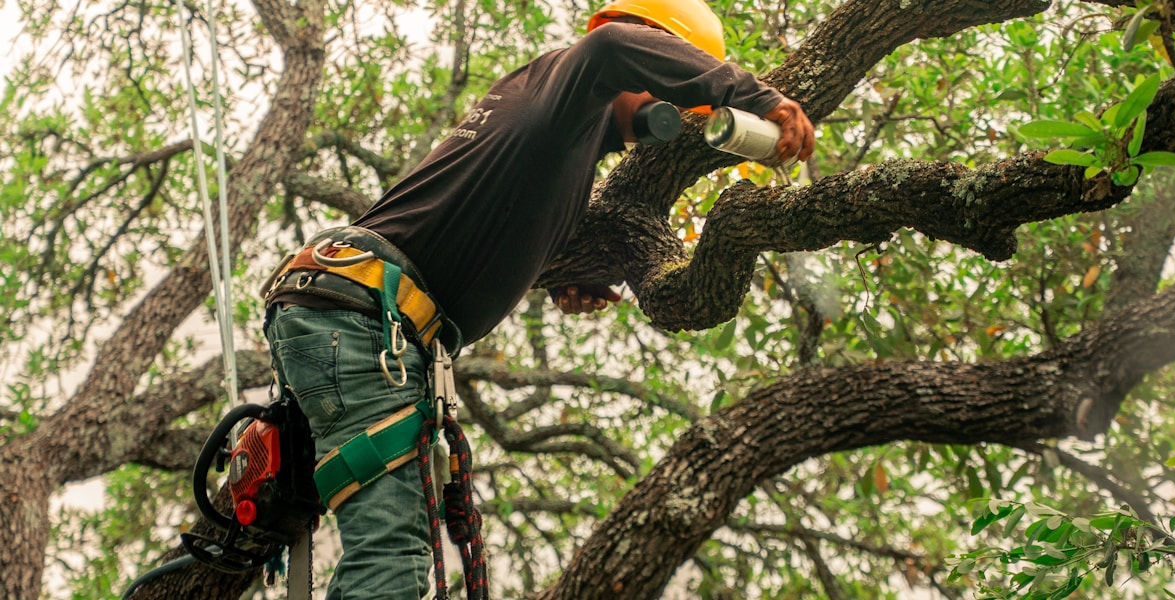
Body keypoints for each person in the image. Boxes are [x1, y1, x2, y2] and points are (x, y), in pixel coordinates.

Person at [262, 0, 815, 596]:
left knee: (301, 525)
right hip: (368, 321)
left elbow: (486, 219)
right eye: (676, 92)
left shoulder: (561, 132)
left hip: (351, 315)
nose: (677, 116)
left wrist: (555, 275)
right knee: (392, 563)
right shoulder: (574, 80)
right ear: (649, 51)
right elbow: (611, 48)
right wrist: (763, 99)